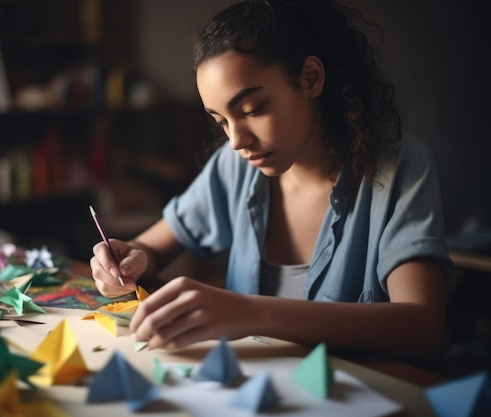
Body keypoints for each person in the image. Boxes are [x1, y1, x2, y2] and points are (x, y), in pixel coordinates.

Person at [90, 0, 452, 364]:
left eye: (252, 110)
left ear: (310, 78)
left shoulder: (399, 166)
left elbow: (421, 326)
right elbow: (147, 250)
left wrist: (251, 312)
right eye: (221, 122)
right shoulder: (235, 167)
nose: (236, 141)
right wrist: (125, 259)